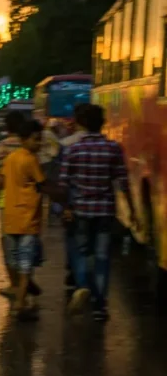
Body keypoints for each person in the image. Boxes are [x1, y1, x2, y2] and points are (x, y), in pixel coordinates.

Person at [59, 104, 138, 321]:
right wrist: (131, 210)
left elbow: (63, 184)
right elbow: (122, 182)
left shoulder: (73, 149)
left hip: (81, 210)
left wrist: (66, 208)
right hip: (105, 210)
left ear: (81, 123)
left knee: (82, 252)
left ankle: (83, 285)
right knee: (102, 257)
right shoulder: (113, 148)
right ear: (102, 123)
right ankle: (99, 306)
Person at [0, 120, 45, 321]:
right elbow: (42, 184)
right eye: (36, 140)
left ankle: (19, 293)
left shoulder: (6, 154)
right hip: (28, 219)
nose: (40, 143)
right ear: (24, 138)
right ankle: (20, 300)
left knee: (14, 259)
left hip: (10, 214)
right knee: (25, 263)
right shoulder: (31, 159)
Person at [59, 104, 91, 289]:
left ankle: (78, 280)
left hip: (74, 203)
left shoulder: (67, 145)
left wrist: (64, 207)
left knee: (74, 240)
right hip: (100, 206)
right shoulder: (109, 145)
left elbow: (63, 180)